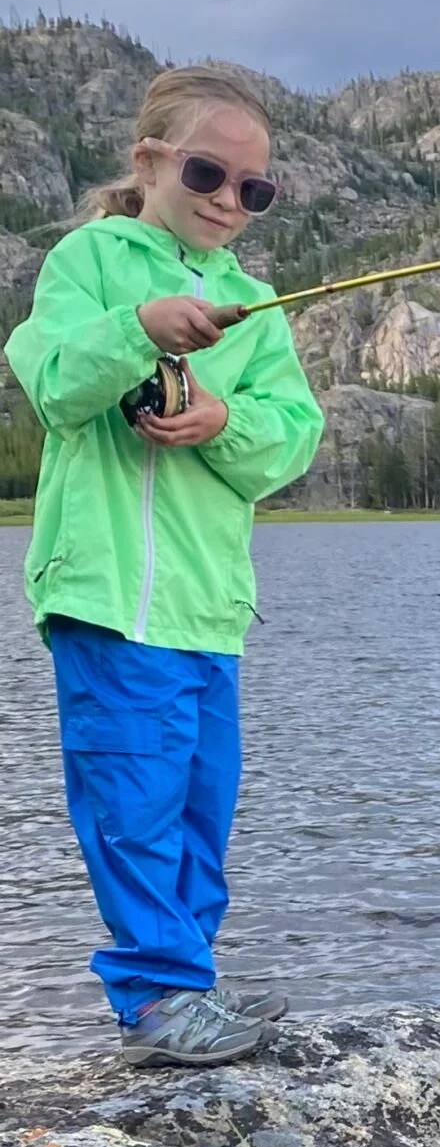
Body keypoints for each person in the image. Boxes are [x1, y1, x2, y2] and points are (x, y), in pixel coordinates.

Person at [4, 67, 325, 1068]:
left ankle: (190, 982)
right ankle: (157, 998)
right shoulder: (89, 261)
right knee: (131, 800)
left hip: (207, 607)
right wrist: (137, 329)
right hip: (107, 598)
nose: (229, 201)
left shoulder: (257, 304)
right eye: (208, 173)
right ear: (150, 162)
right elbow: (52, 380)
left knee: (199, 806)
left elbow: (293, 438)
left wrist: (223, 421)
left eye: (253, 190)